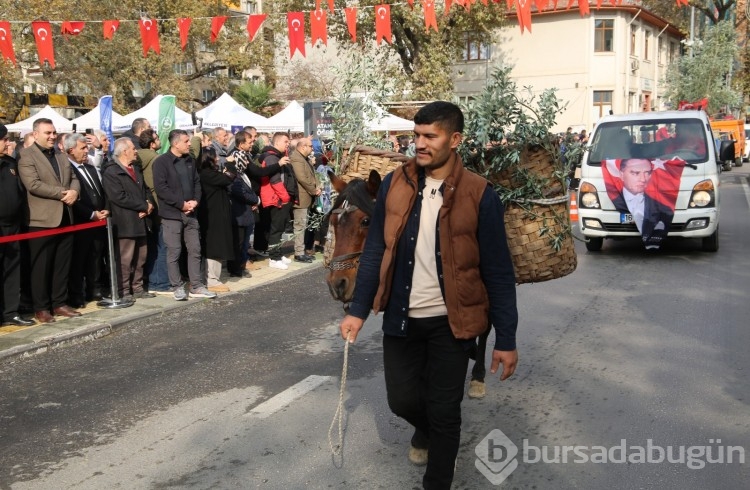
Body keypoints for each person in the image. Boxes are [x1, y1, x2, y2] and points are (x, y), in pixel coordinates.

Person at [338, 101, 519, 489]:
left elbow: (499, 272)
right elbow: (374, 252)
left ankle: (438, 478)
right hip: (401, 317)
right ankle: (428, 431)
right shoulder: (395, 184)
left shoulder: (479, 194)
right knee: (401, 401)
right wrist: (357, 310)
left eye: (429, 136)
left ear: (454, 140)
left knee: (444, 408)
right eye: (416, 135)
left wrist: (506, 338)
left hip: (452, 322)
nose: (419, 144)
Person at [18, 118, 82, 323]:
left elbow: (74, 177)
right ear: (35, 134)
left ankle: (59, 302)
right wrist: (64, 193)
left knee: (62, 265)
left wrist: (74, 192)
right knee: (41, 267)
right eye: (48, 133)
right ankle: (41, 307)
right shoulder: (26, 156)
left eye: (54, 132)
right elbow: (33, 184)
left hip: (65, 216)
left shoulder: (61, 155)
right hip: (41, 221)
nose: (52, 136)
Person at [151, 129, 216, 300]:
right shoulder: (161, 162)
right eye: (186, 141)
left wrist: (195, 201)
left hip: (191, 213)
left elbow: (196, 182)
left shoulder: (189, 160)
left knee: (195, 249)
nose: (190, 144)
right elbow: (161, 188)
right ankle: (177, 286)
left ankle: (196, 285)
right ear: (176, 143)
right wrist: (181, 204)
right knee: (174, 251)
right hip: (172, 214)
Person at [101, 138, 155, 302]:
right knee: (125, 259)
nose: (136, 151)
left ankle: (137, 287)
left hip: (141, 220)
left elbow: (146, 190)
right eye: (133, 148)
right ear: (124, 151)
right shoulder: (111, 172)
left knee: (141, 256)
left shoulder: (135, 169)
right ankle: (123, 291)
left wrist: (149, 204)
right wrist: (142, 206)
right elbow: (118, 197)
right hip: (125, 222)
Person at [66, 133, 109, 307]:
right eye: (82, 148)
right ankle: (77, 294)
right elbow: (73, 199)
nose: (87, 151)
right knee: (80, 259)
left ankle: (95, 289)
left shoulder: (90, 167)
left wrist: (105, 208)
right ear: (71, 150)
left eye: (86, 147)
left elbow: (100, 190)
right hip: (81, 222)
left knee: (96, 256)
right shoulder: (68, 169)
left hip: (99, 220)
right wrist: (91, 214)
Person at [0, 124, 35, 327]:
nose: (8, 142)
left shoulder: (11, 164)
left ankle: (10, 312)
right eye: (4, 139)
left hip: (13, 228)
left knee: (12, 270)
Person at [196, 147, 235, 293]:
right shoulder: (207, 174)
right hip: (213, 216)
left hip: (216, 214)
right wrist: (230, 164)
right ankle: (212, 280)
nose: (218, 159)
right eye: (215, 157)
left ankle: (213, 278)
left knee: (216, 245)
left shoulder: (208, 174)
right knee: (215, 246)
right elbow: (229, 177)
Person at [137, 129, 170, 294]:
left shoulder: (137, 157)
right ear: (152, 144)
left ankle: (152, 281)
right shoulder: (157, 159)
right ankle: (159, 282)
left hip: (146, 207)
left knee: (150, 246)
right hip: (157, 207)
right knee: (161, 246)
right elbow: (157, 186)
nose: (159, 141)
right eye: (157, 139)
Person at [258, 132, 295, 270]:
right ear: (277, 142)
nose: (288, 144)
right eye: (286, 142)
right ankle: (274, 258)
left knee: (278, 229)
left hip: (280, 198)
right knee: (276, 229)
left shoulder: (278, 157)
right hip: (276, 199)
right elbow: (275, 181)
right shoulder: (272, 158)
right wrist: (285, 197)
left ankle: (278, 254)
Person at [289, 138, 320, 263]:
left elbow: (312, 175)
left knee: (303, 225)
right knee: (300, 225)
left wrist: (318, 186)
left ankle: (301, 251)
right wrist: (313, 190)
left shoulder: (303, 158)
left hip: (307, 196)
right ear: (302, 147)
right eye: (310, 146)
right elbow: (301, 178)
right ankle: (299, 252)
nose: (312, 148)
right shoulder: (296, 158)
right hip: (301, 197)